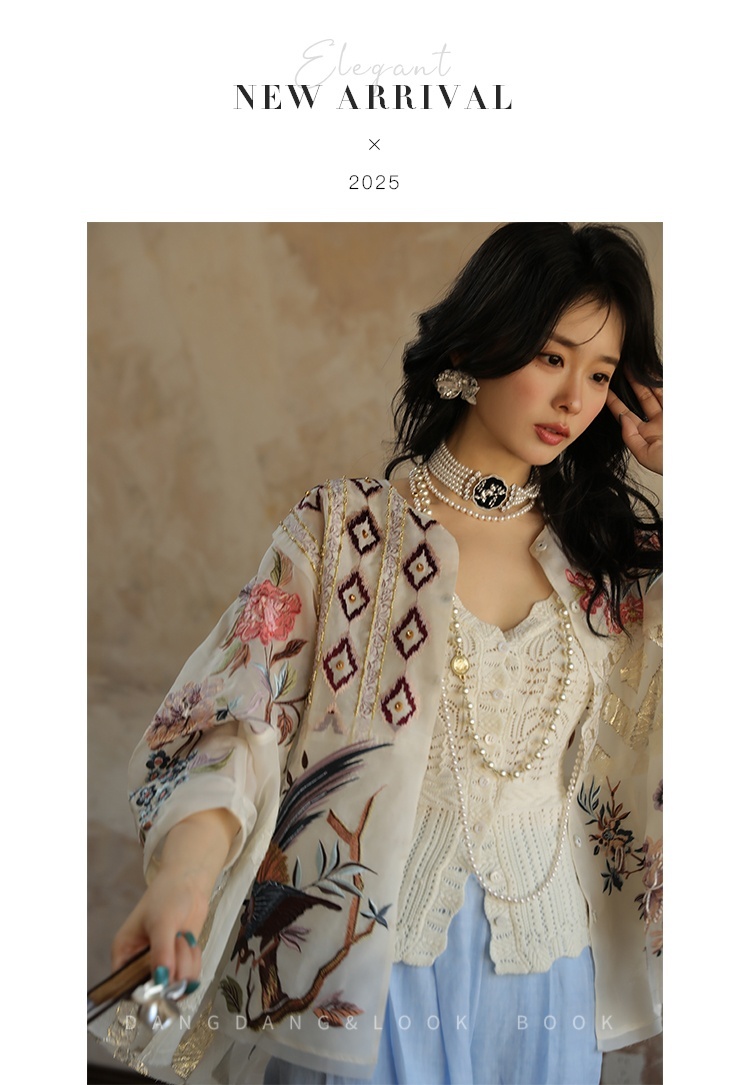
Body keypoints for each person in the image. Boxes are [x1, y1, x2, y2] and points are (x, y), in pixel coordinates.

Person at [96, 222, 663, 1085]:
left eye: (598, 374)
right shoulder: (346, 536)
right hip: (372, 974)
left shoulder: (608, 567)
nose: (572, 399)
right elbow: (237, 720)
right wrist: (183, 877)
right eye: (551, 357)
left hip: (549, 979)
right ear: (475, 349)